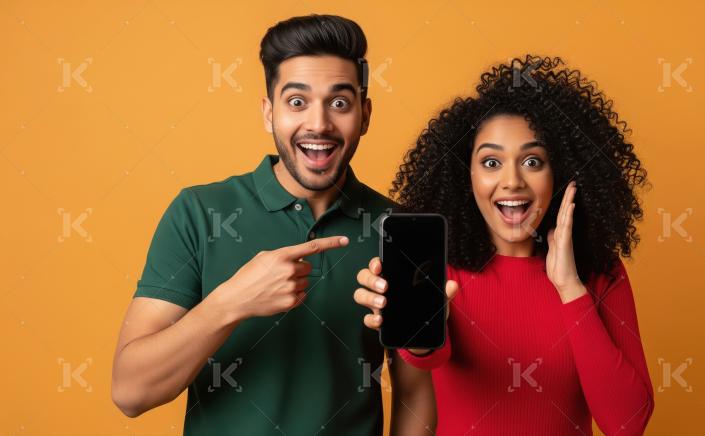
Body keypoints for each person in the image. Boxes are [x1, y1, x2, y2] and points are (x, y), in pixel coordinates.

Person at [112, 14, 435, 435]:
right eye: (297, 102)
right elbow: (130, 392)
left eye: (339, 103)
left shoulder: (402, 229)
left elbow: (416, 394)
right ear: (269, 113)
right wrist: (231, 302)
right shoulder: (198, 212)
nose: (318, 123)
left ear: (366, 114)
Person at [353, 55, 655, 435]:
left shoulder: (599, 273)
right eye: (491, 163)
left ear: (561, 173)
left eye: (532, 161)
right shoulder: (438, 266)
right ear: (468, 177)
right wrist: (419, 338)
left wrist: (569, 287)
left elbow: (627, 423)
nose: (512, 181)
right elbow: (427, 357)